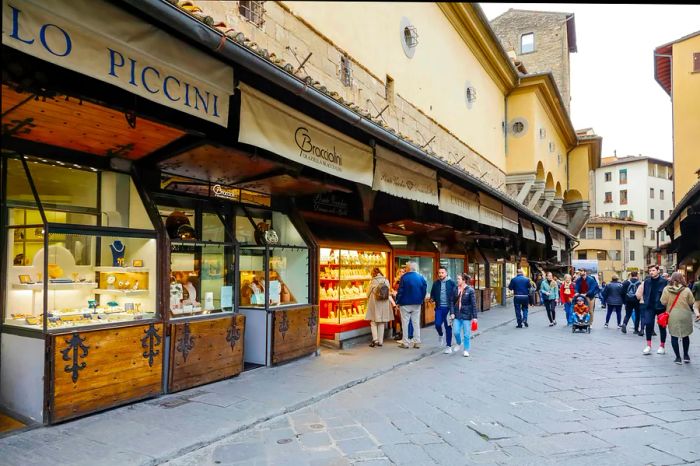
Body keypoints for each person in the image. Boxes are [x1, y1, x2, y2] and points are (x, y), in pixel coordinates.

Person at [660, 272, 696, 364]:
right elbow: (692, 302)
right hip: (685, 314)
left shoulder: (666, 289)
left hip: (672, 314)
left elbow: (663, 302)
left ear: (671, 278)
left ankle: (678, 358)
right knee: (685, 335)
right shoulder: (687, 290)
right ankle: (686, 356)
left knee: (674, 336)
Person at [396, 261, 427, 349]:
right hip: (417, 303)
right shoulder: (421, 277)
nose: (405, 269)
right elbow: (424, 289)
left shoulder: (404, 277)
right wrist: (421, 299)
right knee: (416, 322)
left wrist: (397, 301)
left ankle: (405, 342)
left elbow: (400, 291)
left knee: (405, 323)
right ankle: (417, 341)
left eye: (406, 267)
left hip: (405, 303)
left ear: (408, 268)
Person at [640, 264, 669, 355]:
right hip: (649, 306)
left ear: (658, 271)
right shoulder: (647, 281)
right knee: (648, 324)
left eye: (653, 270)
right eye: (650, 271)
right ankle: (648, 345)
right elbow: (645, 292)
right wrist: (645, 300)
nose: (651, 272)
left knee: (662, 326)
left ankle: (662, 346)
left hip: (661, 307)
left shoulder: (664, 282)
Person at [430, 266, 457, 354]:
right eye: (439, 273)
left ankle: (448, 346)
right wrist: (432, 298)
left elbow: (456, 296)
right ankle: (441, 335)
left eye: (442, 273)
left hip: (449, 309)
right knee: (437, 324)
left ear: (446, 273)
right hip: (439, 308)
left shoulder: (452, 283)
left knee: (448, 327)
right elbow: (432, 294)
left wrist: (453, 309)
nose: (440, 274)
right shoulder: (436, 283)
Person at [365, 267, 395, 348]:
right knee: (382, 322)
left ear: (373, 274)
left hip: (375, 303)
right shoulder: (386, 280)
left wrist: (367, 297)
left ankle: (375, 339)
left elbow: (368, 293)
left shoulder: (373, 281)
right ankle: (381, 342)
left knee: (373, 322)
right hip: (384, 303)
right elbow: (388, 291)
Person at [450, 273, 477, 357]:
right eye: (457, 279)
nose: (457, 280)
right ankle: (458, 343)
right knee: (456, 332)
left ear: (463, 280)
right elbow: (451, 302)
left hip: (466, 315)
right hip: (457, 314)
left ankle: (466, 350)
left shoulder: (470, 290)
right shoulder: (455, 289)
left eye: (458, 279)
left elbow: (474, 304)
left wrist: (475, 317)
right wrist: (452, 313)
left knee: (466, 334)